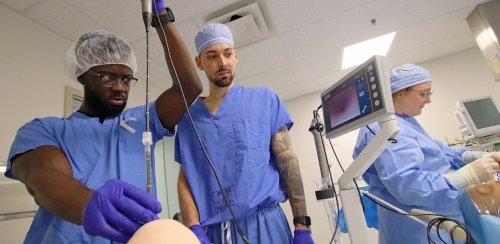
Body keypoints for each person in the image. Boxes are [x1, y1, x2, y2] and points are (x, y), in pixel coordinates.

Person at [4, 1, 202, 243]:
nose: (120, 86)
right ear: (83, 75)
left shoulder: (141, 122)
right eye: (108, 77)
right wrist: (88, 203)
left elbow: (189, 87)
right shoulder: (46, 130)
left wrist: (162, 18)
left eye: (127, 79)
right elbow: (43, 177)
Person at [174, 23, 314, 244]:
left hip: (267, 225)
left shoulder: (264, 100)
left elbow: (287, 159)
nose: (222, 62)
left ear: (236, 56)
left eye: (227, 54)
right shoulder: (189, 119)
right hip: (216, 232)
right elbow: (185, 177)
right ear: (199, 62)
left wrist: (302, 225)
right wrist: (193, 226)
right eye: (212, 56)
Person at [353, 64, 500, 243]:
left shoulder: (405, 121)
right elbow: (407, 186)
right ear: (399, 93)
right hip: (417, 229)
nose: (428, 100)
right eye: (424, 93)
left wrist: (473, 156)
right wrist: (468, 175)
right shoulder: (384, 128)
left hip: (438, 220)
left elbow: (438, 152)